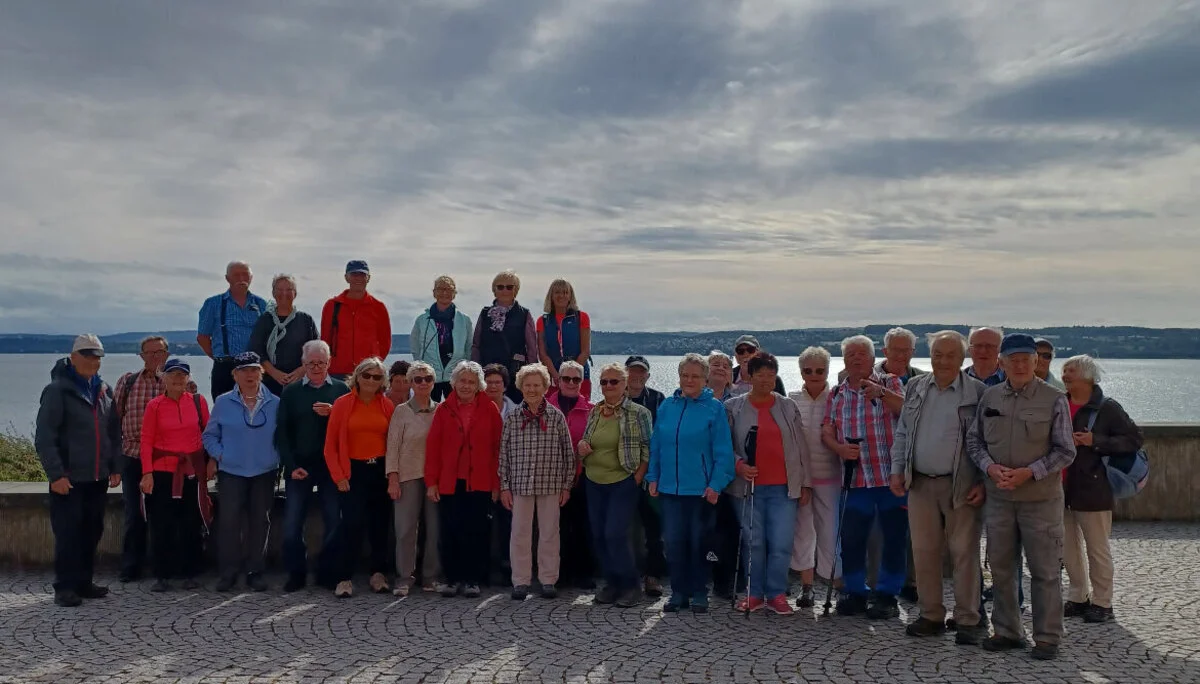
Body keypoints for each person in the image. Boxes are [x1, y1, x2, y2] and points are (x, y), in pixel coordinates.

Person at [967, 333, 1076, 660]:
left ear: (1035, 361)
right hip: (999, 499)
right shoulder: (990, 397)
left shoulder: (1054, 399)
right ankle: (1007, 631)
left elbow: (1065, 451)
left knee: (1045, 572)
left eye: (1025, 359)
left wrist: (1031, 472)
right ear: (1002, 363)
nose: (1019, 365)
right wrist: (990, 468)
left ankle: (1047, 637)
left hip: (1041, 501)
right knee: (1001, 569)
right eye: (1012, 359)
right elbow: (974, 442)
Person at [888, 331, 988, 644]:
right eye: (937, 355)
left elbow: (989, 442)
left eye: (950, 355)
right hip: (920, 483)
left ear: (962, 358)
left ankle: (968, 619)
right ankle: (931, 615)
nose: (943, 361)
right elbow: (903, 432)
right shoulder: (915, 386)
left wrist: (983, 481)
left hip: (961, 484)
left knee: (964, 554)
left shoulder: (978, 392)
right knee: (924, 553)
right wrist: (897, 469)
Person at [821, 335, 906, 619]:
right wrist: (839, 449)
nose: (856, 358)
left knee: (894, 539)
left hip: (890, 478)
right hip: (856, 480)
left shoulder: (891, 382)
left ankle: (887, 595)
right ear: (844, 361)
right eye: (850, 354)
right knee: (852, 539)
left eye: (861, 354)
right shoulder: (836, 394)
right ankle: (855, 592)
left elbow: (908, 412)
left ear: (872, 359)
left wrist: (881, 394)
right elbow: (827, 430)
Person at [34, 334, 122, 607]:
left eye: (97, 357)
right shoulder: (57, 390)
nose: (93, 361)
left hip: (97, 477)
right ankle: (64, 587)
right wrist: (56, 475)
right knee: (68, 534)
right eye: (87, 356)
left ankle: (84, 582)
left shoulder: (104, 389)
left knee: (92, 531)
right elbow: (45, 437)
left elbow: (113, 432)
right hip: (69, 478)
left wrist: (114, 466)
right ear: (73, 357)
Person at [647, 353, 736, 614]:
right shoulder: (667, 406)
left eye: (695, 376)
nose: (689, 380)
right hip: (669, 489)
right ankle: (678, 592)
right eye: (685, 375)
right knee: (673, 543)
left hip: (701, 491)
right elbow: (656, 444)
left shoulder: (714, 408)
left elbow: (723, 452)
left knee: (699, 544)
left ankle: (699, 592)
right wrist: (653, 476)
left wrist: (716, 484)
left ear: (705, 379)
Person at [725, 352, 811, 616]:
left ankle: (776, 594)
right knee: (753, 543)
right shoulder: (733, 407)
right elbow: (723, 446)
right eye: (760, 374)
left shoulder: (787, 406)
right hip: (747, 488)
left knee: (781, 543)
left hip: (783, 488)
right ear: (749, 376)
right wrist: (739, 465)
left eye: (771, 375)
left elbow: (801, 446)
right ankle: (753, 594)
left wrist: (805, 483)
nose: (766, 380)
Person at [1061, 355, 1142, 624]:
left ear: (1087, 376)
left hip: (1093, 487)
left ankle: (1102, 602)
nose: (1064, 374)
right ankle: (1077, 597)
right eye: (1064, 370)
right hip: (1061, 488)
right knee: (1068, 549)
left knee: (1097, 549)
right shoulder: (1059, 403)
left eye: (1071, 370)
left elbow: (1134, 440)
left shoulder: (1108, 408)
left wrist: (1095, 440)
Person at [201, 352, 281, 593]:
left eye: (254, 369)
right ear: (234, 375)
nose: (249, 374)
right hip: (231, 472)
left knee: (260, 522)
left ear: (261, 373)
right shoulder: (223, 402)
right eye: (244, 370)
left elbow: (283, 437)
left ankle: (255, 572)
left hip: (264, 472)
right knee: (229, 523)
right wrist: (221, 455)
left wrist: (275, 458)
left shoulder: (276, 402)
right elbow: (209, 436)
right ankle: (228, 573)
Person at [275, 340, 349, 592]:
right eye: (311, 363)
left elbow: (349, 427)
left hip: (330, 467)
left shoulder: (341, 389)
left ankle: (327, 572)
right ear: (303, 364)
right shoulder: (291, 392)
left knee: (334, 520)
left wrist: (334, 412)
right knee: (292, 523)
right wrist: (290, 465)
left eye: (321, 363)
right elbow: (282, 433)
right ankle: (296, 573)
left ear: (329, 363)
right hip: (300, 466)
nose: (316, 368)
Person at [578, 363, 653, 608]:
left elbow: (648, 447)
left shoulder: (639, 412)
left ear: (625, 384)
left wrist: (638, 477)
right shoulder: (595, 411)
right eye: (604, 382)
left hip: (623, 481)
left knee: (615, 534)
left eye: (614, 381)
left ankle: (630, 585)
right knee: (599, 535)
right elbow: (588, 439)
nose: (608, 386)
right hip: (594, 480)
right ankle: (612, 583)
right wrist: (582, 447)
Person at [425, 361, 503, 598]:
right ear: (454, 383)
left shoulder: (490, 409)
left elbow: (498, 449)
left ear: (478, 385)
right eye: (462, 381)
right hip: (451, 481)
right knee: (450, 531)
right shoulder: (443, 409)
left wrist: (497, 484)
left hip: (480, 481)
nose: (466, 386)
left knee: (477, 531)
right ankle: (452, 578)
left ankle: (472, 579)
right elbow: (433, 447)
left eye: (471, 382)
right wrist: (432, 482)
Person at [500, 364, 575, 599]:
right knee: (519, 534)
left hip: (550, 483)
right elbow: (503, 454)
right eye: (527, 385)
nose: (532, 390)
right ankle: (520, 581)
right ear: (521, 387)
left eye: (536, 385)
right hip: (520, 484)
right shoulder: (512, 417)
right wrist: (504, 486)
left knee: (550, 533)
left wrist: (566, 485)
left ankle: (548, 579)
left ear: (545, 387)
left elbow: (568, 453)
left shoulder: (556, 416)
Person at [139, 359, 212, 592]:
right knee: (162, 524)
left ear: (188, 378)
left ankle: (190, 572)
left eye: (182, 375)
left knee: (191, 523)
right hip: (163, 473)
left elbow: (209, 434)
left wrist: (212, 463)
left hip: (191, 472)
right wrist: (147, 473)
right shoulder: (154, 406)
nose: (177, 379)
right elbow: (146, 441)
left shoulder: (199, 402)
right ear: (164, 378)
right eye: (173, 374)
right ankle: (162, 574)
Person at [324, 356, 395, 598]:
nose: (371, 380)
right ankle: (344, 577)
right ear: (357, 376)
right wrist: (339, 476)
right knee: (351, 525)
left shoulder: (386, 405)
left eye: (377, 377)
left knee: (380, 525)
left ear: (382, 381)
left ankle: (378, 574)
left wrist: (392, 476)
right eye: (366, 375)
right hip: (353, 471)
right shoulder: (342, 404)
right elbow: (330, 446)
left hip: (380, 469)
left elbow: (393, 443)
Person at [788, 346, 843, 609]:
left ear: (827, 371)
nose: (814, 375)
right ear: (801, 372)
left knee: (831, 535)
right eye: (808, 370)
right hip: (802, 480)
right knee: (803, 535)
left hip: (831, 478)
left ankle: (837, 586)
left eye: (820, 370)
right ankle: (807, 587)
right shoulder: (791, 400)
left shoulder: (837, 398)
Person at [113, 335, 168, 582]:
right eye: (150, 352)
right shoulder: (128, 381)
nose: (155, 357)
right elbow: (114, 420)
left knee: (162, 514)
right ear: (142, 356)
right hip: (132, 456)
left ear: (166, 354)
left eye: (160, 352)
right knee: (134, 514)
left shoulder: (178, 380)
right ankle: (131, 566)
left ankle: (161, 566)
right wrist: (113, 461)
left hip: (163, 458)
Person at [386, 361, 442, 596]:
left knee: (435, 529)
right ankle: (404, 577)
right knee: (406, 529)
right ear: (410, 383)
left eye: (427, 379)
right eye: (417, 379)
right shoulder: (401, 411)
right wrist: (393, 478)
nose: (423, 383)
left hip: (435, 478)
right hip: (407, 475)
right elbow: (392, 447)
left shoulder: (440, 410)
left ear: (434, 382)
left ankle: (430, 576)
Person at [548, 361, 597, 589]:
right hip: (552, 477)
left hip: (581, 476)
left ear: (582, 382)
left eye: (575, 379)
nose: (570, 383)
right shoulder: (545, 407)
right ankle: (558, 572)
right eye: (566, 378)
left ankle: (583, 572)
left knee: (582, 525)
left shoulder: (593, 410)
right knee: (554, 526)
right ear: (558, 381)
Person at [624, 355, 668, 598]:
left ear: (648, 376)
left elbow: (662, 436)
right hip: (622, 475)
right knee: (622, 529)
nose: (636, 376)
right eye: (632, 371)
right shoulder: (616, 397)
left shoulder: (658, 400)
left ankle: (653, 576)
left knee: (654, 529)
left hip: (651, 474)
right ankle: (626, 576)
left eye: (641, 372)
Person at [197, 261, 268, 399]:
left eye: (245, 275)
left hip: (254, 369)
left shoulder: (261, 304)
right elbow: (202, 337)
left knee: (256, 407)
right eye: (236, 275)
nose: (241, 279)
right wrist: (220, 357)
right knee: (224, 409)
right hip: (225, 369)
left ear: (251, 278)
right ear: (227, 278)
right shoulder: (213, 303)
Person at [471, 270, 538, 404]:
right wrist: (475, 370)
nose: (505, 290)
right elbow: (476, 345)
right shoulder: (485, 313)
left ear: (516, 290)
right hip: (488, 374)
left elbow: (531, 348)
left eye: (509, 287)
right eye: (500, 287)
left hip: (515, 374)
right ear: (494, 290)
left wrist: (532, 374)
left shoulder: (524, 314)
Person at [249, 274, 319, 397]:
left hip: (301, 383)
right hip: (269, 384)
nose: (284, 293)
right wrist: (275, 373)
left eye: (289, 290)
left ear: (295, 294)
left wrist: (302, 370)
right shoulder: (265, 320)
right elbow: (256, 350)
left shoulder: (305, 320)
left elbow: (316, 349)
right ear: (273, 293)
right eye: (280, 290)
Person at [320, 260, 392, 379]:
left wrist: (373, 364)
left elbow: (385, 342)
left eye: (362, 275)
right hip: (337, 371)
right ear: (346, 278)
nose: (358, 278)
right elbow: (325, 339)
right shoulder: (332, 306)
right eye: (354, 274)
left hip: (367, 373)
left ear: (368, 278)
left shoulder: (378, 307)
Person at [410, 275, 473, 401]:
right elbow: (415, 346)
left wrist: (464, 369)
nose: (444, 293)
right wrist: (422, 367)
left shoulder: (464, 320)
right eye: (440, 289)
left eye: (449, 289)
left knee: (457, 410)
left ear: (454, 294)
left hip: (455, 375)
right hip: (429, 376)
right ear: (434, 293)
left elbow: (469, 346)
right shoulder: (422, 320)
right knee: (429, 410)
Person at [483, 362, 518, 582]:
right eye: (488, 382)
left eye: (497, 382)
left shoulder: (516, 412)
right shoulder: (475, 410)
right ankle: (484, 568)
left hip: (510, 478)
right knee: (483, 524)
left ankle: (508, 567)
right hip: (482, 476)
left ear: (505, 386)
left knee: (509, 524)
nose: (493, 386)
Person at [537, 279, 592, 398]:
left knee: (581, 408)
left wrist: (572, 375)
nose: (561, 296)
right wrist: (557, 376)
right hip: (553, 376)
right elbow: (543, 354)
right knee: (552, 408)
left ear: (570, 296)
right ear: (551, 296)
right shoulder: (542, 321)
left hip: (579, 376)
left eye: (565, 292)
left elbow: (585, 351)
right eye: (557, 292)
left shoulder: (582, 317)